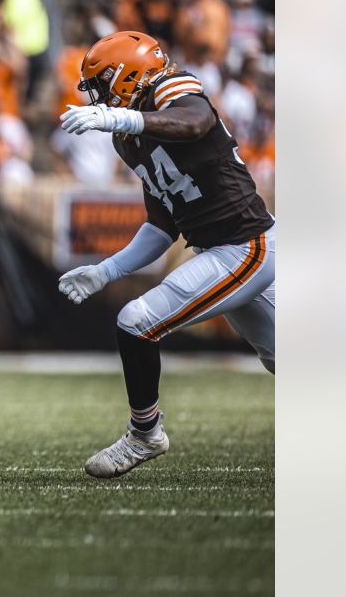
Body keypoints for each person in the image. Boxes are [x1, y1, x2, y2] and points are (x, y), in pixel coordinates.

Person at [56, 31, 275, 479]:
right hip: (225, 250)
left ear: (126, 77)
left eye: (100, 85)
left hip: (245, 245)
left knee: (136, 322)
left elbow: (195, 121)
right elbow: (162, 225)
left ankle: (145, 434)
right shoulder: (130, 137)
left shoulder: (170, 87)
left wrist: (121, 119)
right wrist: (105, 271)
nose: (97, 98)